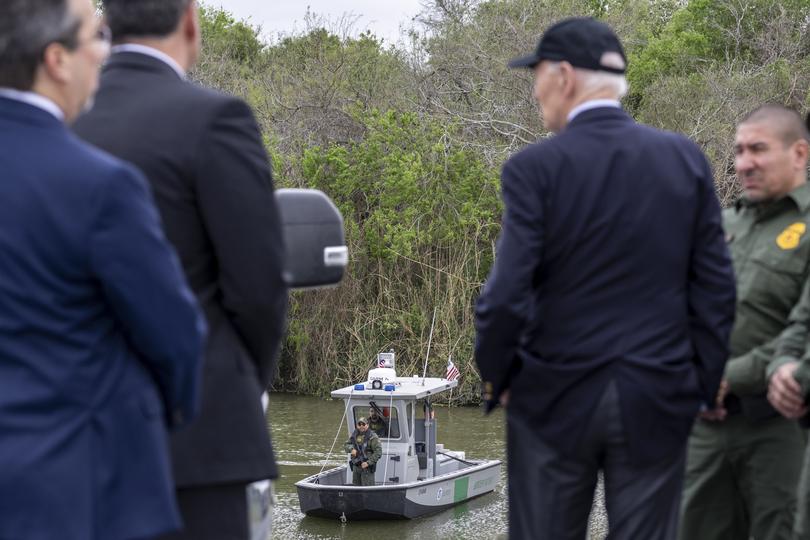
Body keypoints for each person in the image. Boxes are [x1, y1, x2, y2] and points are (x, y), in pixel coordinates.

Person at [474, 17, 736, 540]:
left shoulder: (533, 168)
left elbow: (504, 297)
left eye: (538, 75)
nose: (534, 90)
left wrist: (499, 376)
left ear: (565, 76)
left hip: (553, 400)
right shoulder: (684, 159)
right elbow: (716, 289)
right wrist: (703, 386)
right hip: (657, 398)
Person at [73, 1, 288, 538]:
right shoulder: (216, 119)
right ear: (190, 21)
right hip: (202, 443)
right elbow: (259, 292)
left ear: (108, 24)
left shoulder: (64, 126)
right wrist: (239, 384)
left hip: (77, 443)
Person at [0, 0, 206, 538]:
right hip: (77, 487)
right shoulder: (98, 186)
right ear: (57, 60)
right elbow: (177, 338)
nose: (104, 53)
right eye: (96, 37)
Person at [679, 105, 810, 540]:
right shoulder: (721, 224)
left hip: (778, 425)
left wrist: (730, 376)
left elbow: (802, 329)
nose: (744, 162)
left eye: (758, 149)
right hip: (705, 425)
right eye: (738, 151)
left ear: (799, 154)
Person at [344, 417, 383, 486]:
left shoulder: (373, 437)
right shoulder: (355, 434)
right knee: (356, 489)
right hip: (356, 467)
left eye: (363, 424)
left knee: (367, 490)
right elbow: (346, 445)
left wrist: (368, 463)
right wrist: (351, 449)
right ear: (357, 426)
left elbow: (378, 452)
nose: (361, 426)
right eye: (359, 424)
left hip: (367, 468)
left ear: (367, 425)